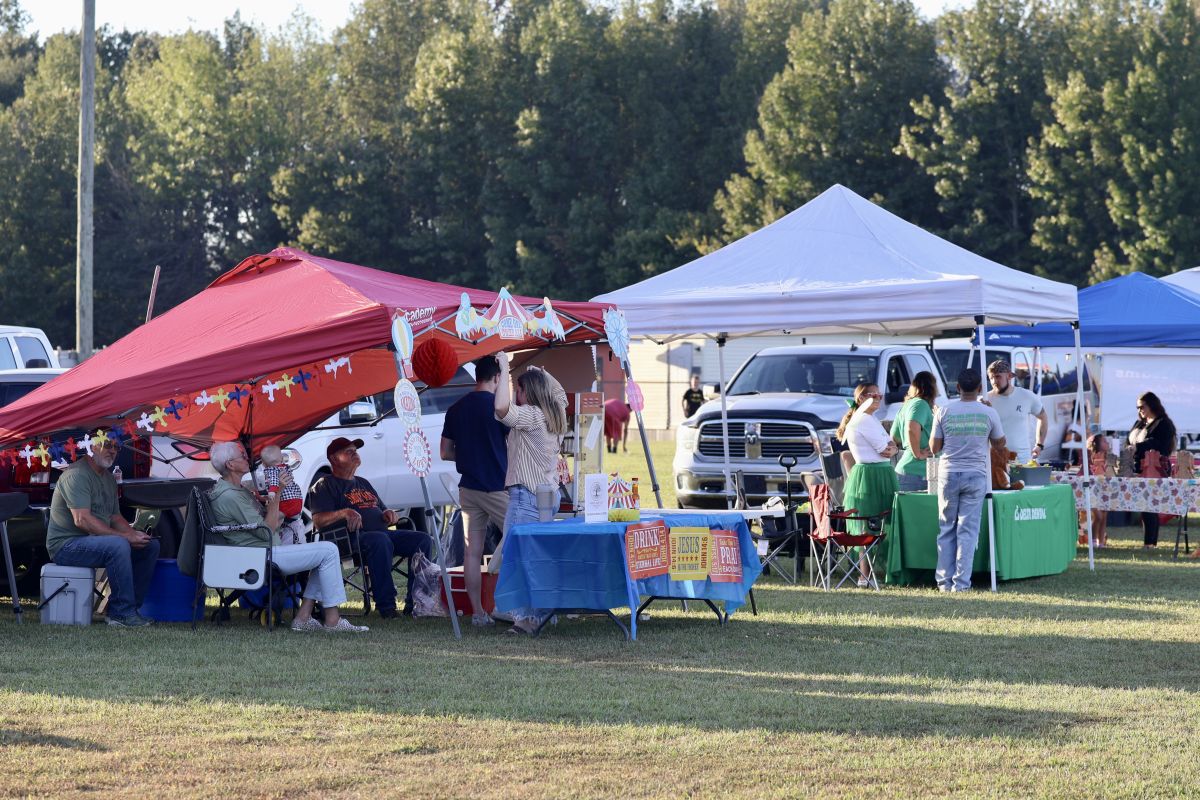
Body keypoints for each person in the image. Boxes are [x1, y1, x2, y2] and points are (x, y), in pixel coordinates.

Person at [207, 441, 366, 632]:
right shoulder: (231, 496)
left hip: (263, 548)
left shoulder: (237, 490)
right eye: (241, 456)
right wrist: (278, 492)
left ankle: (304, 617)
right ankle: (332, 621)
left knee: (324, 554)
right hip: (260, 554)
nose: (247, 458)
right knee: (329, 549)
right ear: (230, 465)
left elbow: (263, 520)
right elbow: (269, 526)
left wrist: (269, 503)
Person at [310, 437, 435, 617]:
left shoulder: (363, 482)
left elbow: (382, 510)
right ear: (334, 459)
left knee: (422, 539)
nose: (355, 454)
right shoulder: (324, 485)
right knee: (379, 540)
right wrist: (345, 513)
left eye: (356, 451)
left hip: (381, 535)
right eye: (349, 452)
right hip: (349, 540)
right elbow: (319, 521)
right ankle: (387, 606)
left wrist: (389, 514)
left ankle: (416, 602)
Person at [46, 438, 160, 627]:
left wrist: (134, 535)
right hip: (66, 546)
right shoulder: (77, 474)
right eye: (107, 445)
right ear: (92, 446)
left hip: (92, 542)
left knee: (149, 546)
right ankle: (120, 614)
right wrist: (126, 537)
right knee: (118, 544)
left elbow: (114, 517)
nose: (113, 451)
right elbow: (82, 520)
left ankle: (128, 610)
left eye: (116, 447)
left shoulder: (108, 478)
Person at [494, 350, 567, 634]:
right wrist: (541, 372)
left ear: (527, 393)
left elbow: (501, 408)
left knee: (519, 558)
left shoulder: (532, 417)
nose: (515, 394)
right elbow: (559, 392)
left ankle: (526, 619)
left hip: (526, 496)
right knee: (541, 558)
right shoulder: (556, 413)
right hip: (548, 496)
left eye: (519, 390)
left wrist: (503, 368)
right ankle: (545, 614)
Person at [441, 355, 509, 627]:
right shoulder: (498, 407)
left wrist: (468, 453)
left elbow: (445, 452)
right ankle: (516, 606)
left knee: (472, 552)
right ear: (496, 378)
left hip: (468, 488)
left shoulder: (455, 408)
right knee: (521, 540)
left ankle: (478, 612)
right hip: (497, 487)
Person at [930, 368, 1006, 593]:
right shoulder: (989, 413)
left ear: (958, 388)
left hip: (948, 473)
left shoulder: (944, 410)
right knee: (968, 530)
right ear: (981, 388)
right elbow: (1000, 444)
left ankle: (944, 583)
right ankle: (961, 584)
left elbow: (935, 448)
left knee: (946, 528)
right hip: (976, 474)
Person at [836, 382, 899, 586]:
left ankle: (872, 572)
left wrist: (892, 447)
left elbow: (892, 447)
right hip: (871, 475)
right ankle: (864, 574)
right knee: (867, 524)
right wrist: (892, 448)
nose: (879, 398)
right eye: (874, 395)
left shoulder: (871, 419)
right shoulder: (863, 420)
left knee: (879, 523)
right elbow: (886, 449)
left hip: (879, 472)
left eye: (880, 395)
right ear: (861, 398)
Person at [1128, 391, 1177, 548]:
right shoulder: (1139, 424)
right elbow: (1127, 442)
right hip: (1136, 468)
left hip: (1154, 469)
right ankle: (1149, 542)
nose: (1139, 410)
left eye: (1142, 406)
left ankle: (1150, 543)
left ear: (1152, 405)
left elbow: (1161, 445)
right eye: (1137, 407)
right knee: (1143, 506)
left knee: (1149, 505)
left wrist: (1138, 447)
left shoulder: (1164, 424)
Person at [985, 359, 1048, 465]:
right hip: (994, 461)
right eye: (991, 378)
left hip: (1022, 459)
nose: (994, 382)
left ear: (1009, 376)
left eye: (997, 376)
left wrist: (1039, 445)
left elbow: (1043, 417)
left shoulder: (1026, 396)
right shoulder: (985, 400)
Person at [890, 371, 937, 491]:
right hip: (918, 472)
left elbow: (895, 437)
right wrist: (918, 453)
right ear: (932, 388)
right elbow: (911, 428)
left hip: (908, 471)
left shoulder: (906, 406)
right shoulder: (920, 404)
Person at [259, 444, 305, 545]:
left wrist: (272, 492)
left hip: (287, 502)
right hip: (297, 499)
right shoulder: (285, 468)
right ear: (281, 458)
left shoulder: (272, 471)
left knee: (274, 518)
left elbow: (274, 483)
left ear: (263, 464)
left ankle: (274, 530)